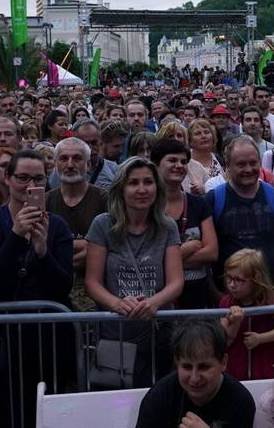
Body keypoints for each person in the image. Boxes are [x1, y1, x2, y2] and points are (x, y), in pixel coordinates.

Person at [0, 149, 73, 426]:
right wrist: (16, 236)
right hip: (6, 339)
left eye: (38, 179)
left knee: (49, 411)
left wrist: (43, 252)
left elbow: (63, 286)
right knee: (9, 413)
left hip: (50, 339)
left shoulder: (57, 226)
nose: (30, 186)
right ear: (7, 178)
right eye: (23, 178)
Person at [85, 156, 184, 387]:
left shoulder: (167, 226)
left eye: (148, 182)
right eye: (133, 183)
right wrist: (117, 303)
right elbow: (92, 282)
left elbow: (176, 281)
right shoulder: (102, 224)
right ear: (121, 189)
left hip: (158, 332)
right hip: (115, 334)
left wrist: (153, 303)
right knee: (116, 400)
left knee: (157, 394)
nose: (142, 189)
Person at [205, 135, 274, 295]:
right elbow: (206, 256)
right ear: (228, 166)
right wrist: (216, 295)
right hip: (227, 297)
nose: (248, 169)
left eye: (253, 163)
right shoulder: (213, 199)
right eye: (241, 164)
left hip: (269, 295)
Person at [135, 317, 255, 428]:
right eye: (187, 367)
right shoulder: (159, 396)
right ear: (176, 363)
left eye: (204, 367)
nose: (194, 378)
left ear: (223, 362)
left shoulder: (241, 401)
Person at [151, 138, 218, 309]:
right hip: (158, 297)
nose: (179, 165)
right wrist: (187, 249)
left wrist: (164, 260)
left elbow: (211, 253)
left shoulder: (199, 204)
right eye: (172, 160)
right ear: (156, 164)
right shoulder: (147, 206)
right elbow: (147, 260)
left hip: (197, 295)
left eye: (183, 161)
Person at [45, 137, 107, 312]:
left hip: (98, 289)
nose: (70, 164)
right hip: (54, 289)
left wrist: (58, 252)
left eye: (77, 158)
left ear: (88, 164)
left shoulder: (105, 199)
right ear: (55, 164)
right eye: (64, 158)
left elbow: (110, 247)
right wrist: (88, 246)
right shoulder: (45, 201)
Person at [220, 249, 274, 380]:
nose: (231, 284)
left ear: (256, 279)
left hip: (266, 367)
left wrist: (261, 338)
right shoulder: (227, 302)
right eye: (229, 277)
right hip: (235, 370)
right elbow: (224, 340)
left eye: (238, 280)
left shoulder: (270, 298)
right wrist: (235, 323)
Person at [183, 119, 224, 195]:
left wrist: (205, 188)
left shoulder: (219, 160)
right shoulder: (184, 162)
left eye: (206, 132)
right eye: (198, 133)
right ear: (190, 140)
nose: (203, 136)